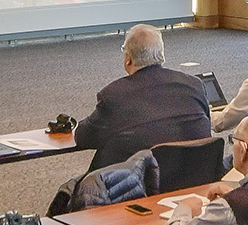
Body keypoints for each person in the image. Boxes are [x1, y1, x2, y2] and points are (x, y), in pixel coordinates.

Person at [73, 24, 214, 170]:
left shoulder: (114, 95)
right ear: (162, 55)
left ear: (128, 58)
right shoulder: (195, 85)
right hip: (194, 177)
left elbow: (84, 138)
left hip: (139, 186)